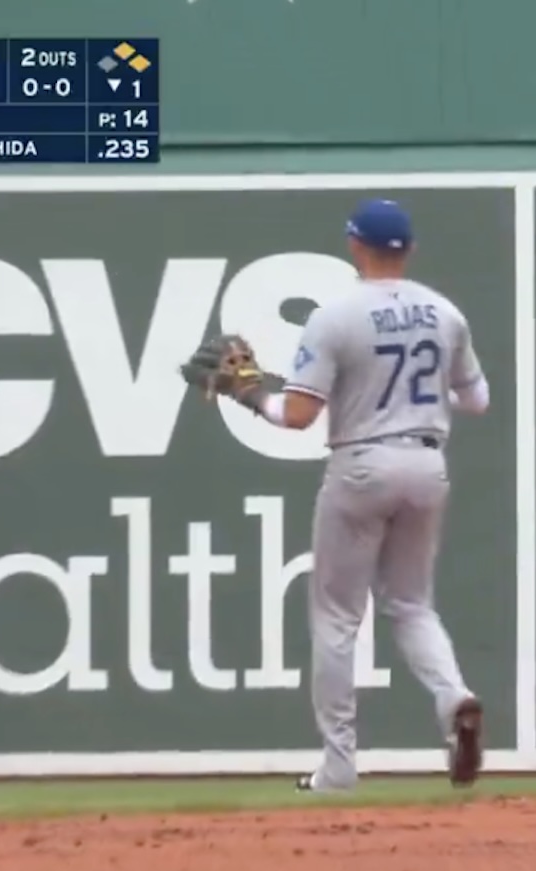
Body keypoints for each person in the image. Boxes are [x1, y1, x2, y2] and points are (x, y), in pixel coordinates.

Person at [181, 198, 488, 793]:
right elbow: (477, 401)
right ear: (411, 250)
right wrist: (410, 409)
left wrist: (248, 393)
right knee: (412, 605)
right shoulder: (445, 312)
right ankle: (456, 701)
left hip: (362, 465)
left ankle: (339, 763)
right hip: (427, 463)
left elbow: (296, 415)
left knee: (337, 617)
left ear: (354, 246)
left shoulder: (335, 317)